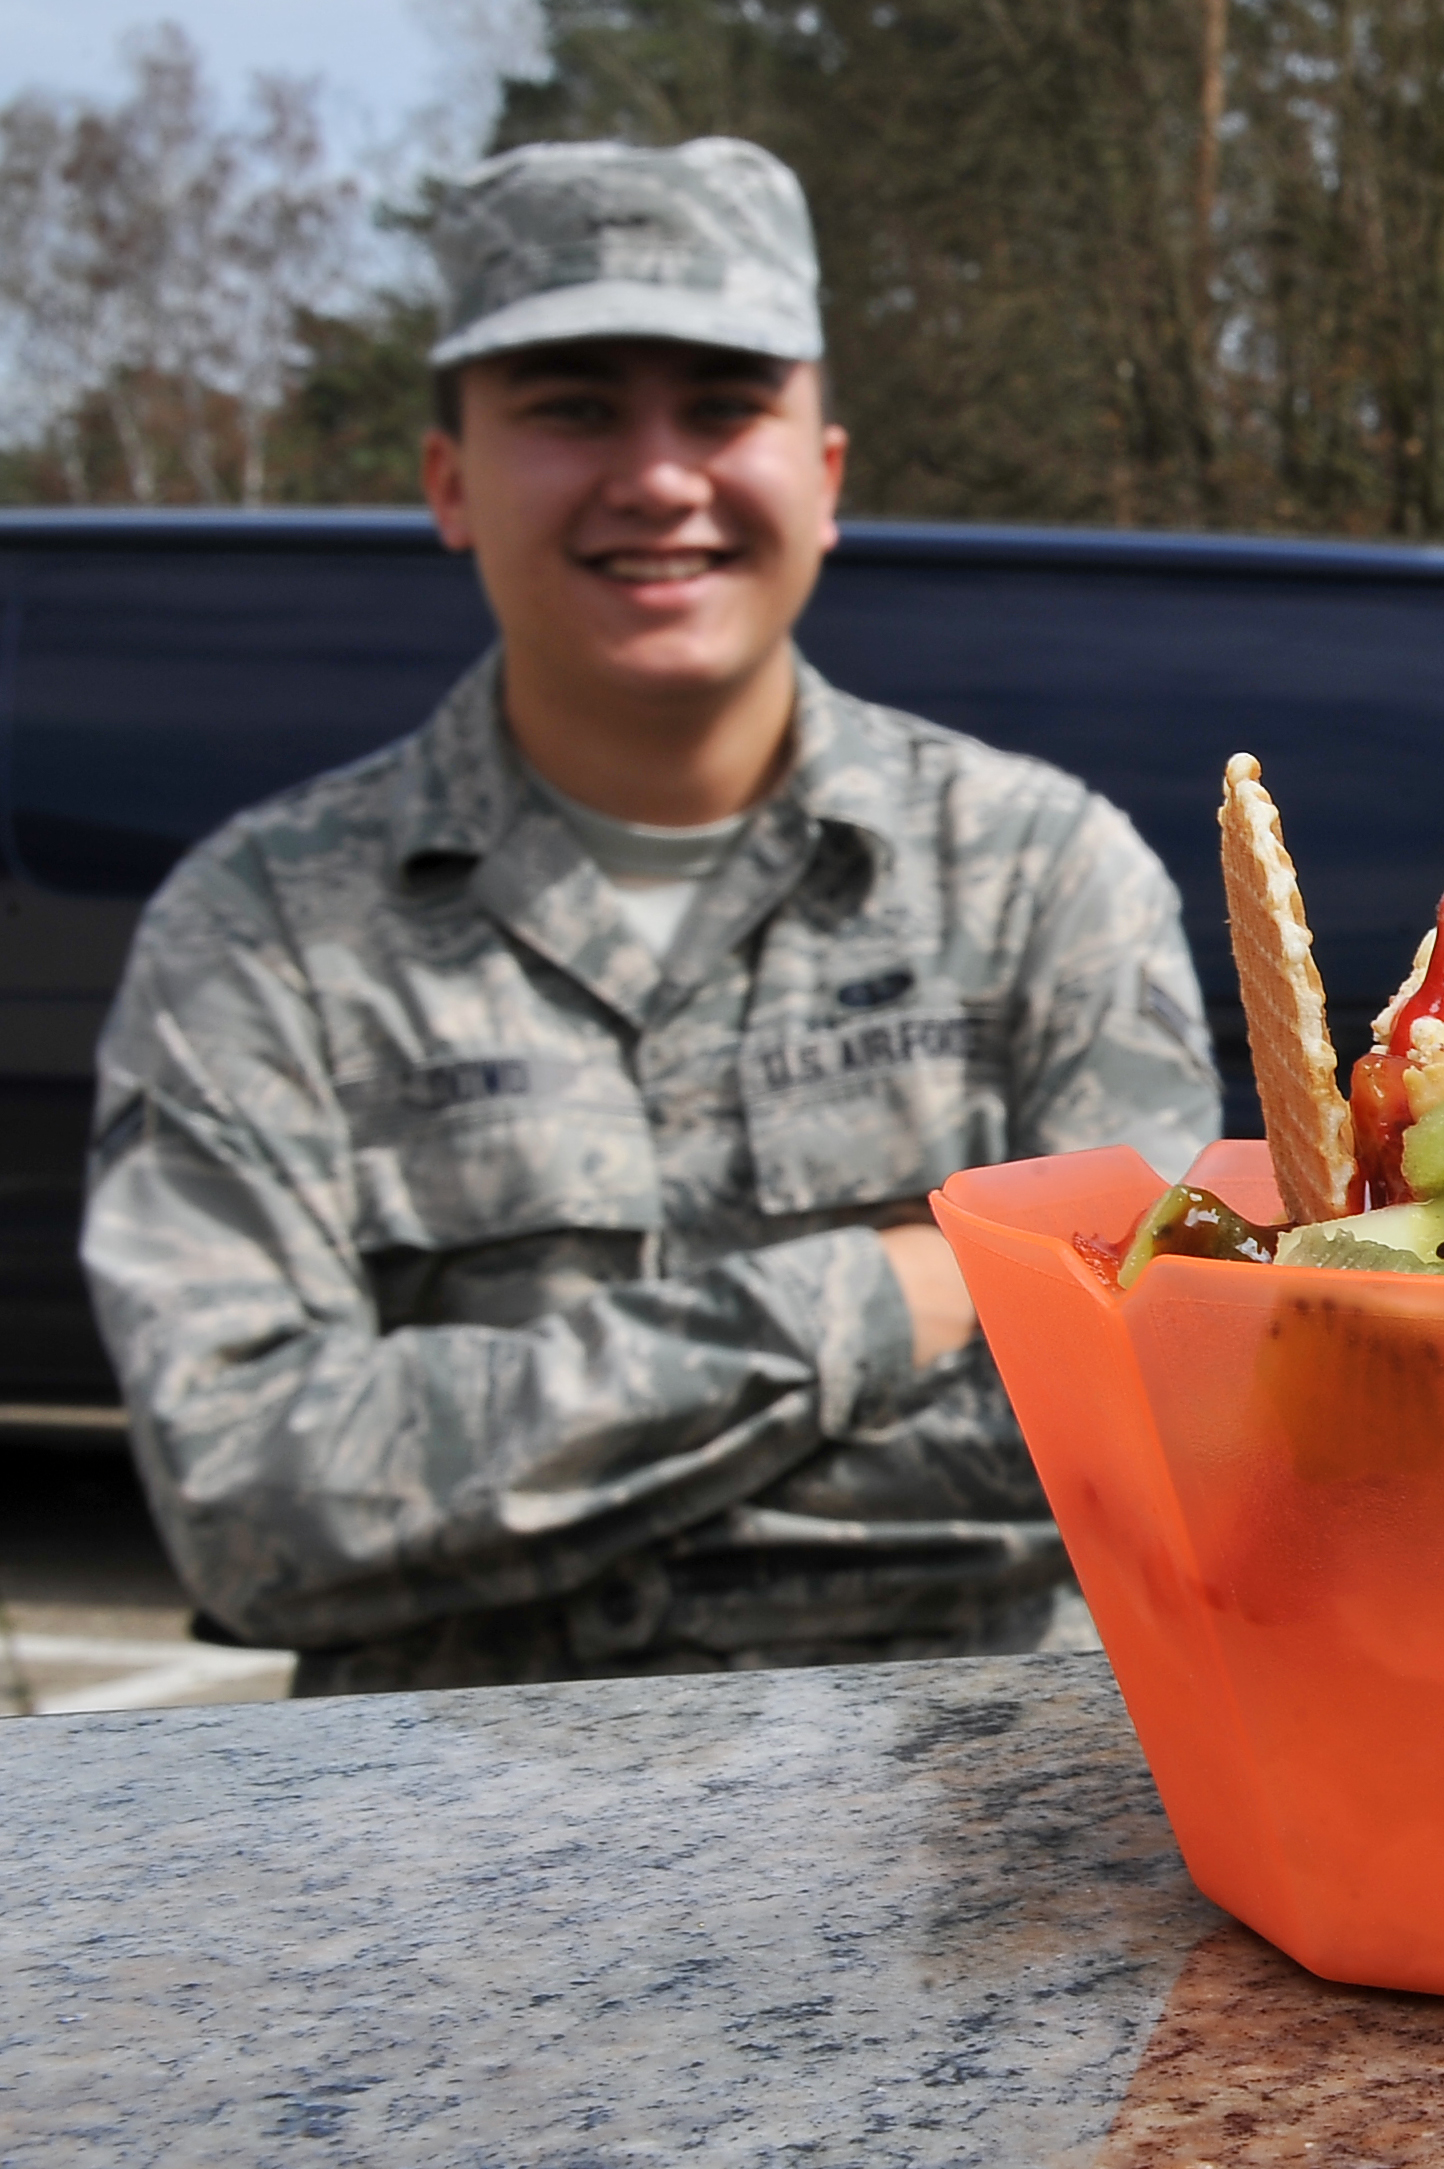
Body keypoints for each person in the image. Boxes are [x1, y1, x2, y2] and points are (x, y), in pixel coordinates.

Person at [79, 137, 1222, 1694]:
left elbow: (1154, 1422)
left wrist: (502, 1513)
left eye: (724, 404)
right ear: (447, 483)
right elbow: (252, 1503)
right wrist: (884, 1294)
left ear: (822, 478)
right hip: (439, 1884)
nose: (660, 476)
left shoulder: (1041, 873)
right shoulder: (262, 928)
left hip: (972, 1854)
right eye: (570, 408)